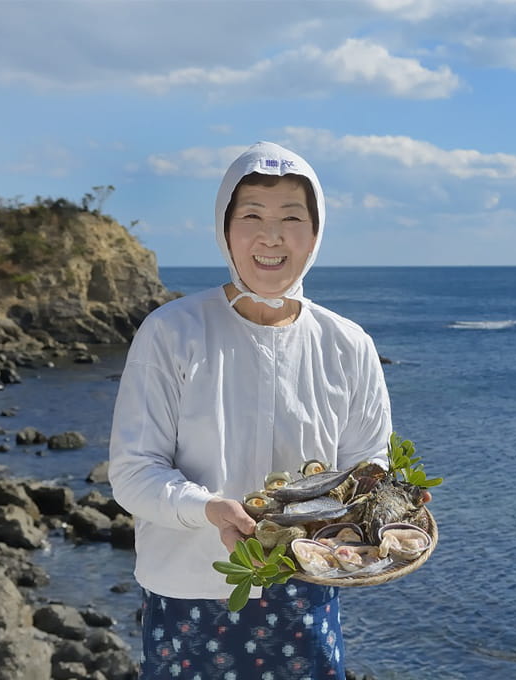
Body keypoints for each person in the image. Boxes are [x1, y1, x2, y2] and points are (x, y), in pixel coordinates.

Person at [108, 142, 393, 679]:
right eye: (252, 216)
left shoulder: (348, 345)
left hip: (305, 592)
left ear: (315, 233)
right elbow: (132, 472)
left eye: (292, 218)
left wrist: (364, 528)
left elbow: (366, 473)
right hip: (188, 592)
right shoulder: (172, 332)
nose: (272, 236)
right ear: (224, 228)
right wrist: (209, 509)